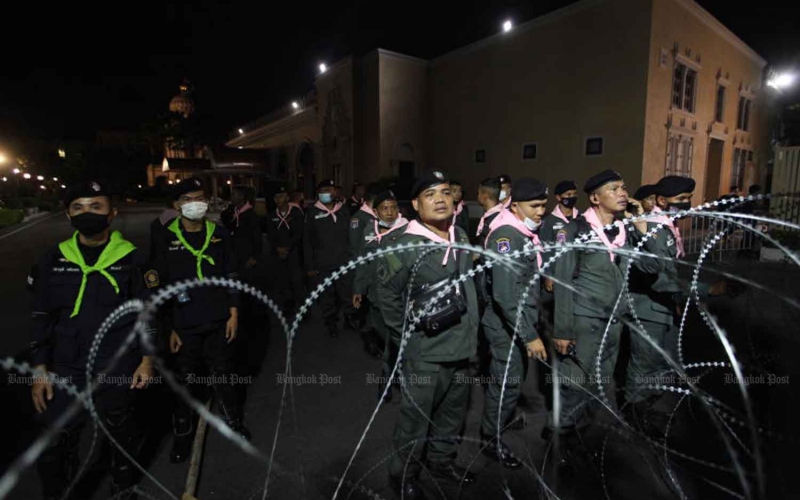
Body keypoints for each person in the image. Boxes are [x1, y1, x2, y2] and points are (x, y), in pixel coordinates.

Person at [29, 181, 154, 500]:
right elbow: (42, 316)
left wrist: (147, 360)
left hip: (117, 364)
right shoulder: (53, 260)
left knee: (120, 432)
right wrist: (39, 367)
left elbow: (147, 314)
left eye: (95, 206)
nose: (87, 213)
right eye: (78, 207)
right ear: (68, 214)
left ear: (112, 214)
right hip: (65, 366)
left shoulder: (133, 260)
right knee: (55, 439)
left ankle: (123, 487)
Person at [376, 170, 479, 500]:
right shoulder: (403, 244)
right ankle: (403, 474)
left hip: (463, 347)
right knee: (415, 418)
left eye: (446, 192)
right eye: (430, 194)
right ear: (416, 204)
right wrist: (406, 335)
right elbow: (387, 295)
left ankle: (441, 461)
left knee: (452, 414)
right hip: (425, 352)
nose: (440, 199)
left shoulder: (460, 235)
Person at [547, 169, 652, 455]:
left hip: (613, 322)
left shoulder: (625, 230)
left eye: (623, 187)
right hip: (584, 322)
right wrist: (563, 330)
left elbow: (649, 267)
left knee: (600, 384)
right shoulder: (574, 232)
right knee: (575, 384)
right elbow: (562, 283)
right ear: (595, 197)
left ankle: (582, 434)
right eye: (614, 188)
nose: (622, 193)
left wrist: (642, 225)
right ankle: (560, 442)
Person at [149, 177, 249, 464]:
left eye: (200, 197)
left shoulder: (219, 233)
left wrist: (233, 312)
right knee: (185, 380)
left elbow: (231, 273)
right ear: (176, 205)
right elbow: (160, 287)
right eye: (188, 199)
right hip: (184, 324)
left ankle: (234, 423)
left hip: (218, 318)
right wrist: (169, 328)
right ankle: (182, 434)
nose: (196, 203)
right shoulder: (165, 237)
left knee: (225, 374)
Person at [479, 178, 549, 469]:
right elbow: (506, 296)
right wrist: (530, 335)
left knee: (511, 380)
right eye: (534, 206)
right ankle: (489, 438)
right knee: (506, 383)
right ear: (515, 205)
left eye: (544, 205)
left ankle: (500, 422)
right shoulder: (506, 236)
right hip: (506, 325)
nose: (541, 211)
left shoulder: (523, 231)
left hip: (517, 321)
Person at [625, 175, 695, 435]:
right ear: (662, 201)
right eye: (680, 200)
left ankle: (650, 408)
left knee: (662, 362)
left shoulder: (666, 224)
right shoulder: (652, 226)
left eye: (688, 199)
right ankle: (636, 412)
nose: (686, 204)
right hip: (647, 306)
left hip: (664, 306)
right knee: (644, 362)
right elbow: (659, 275)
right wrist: (708, 290)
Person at [351, 189, 408, 397]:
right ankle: (395, 373)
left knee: (394, 339)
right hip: (375, 296)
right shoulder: (369, 229)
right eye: (385, 208)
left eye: (394, 207)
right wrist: (359, 289)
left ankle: (387, 381)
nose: (390, 212)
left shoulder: (407, 230)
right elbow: (363, 262)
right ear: (375, 211)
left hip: (399, 297)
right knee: (387, 337)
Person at [304, 179, 355, 338]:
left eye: (330, 189)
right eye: (323, 190)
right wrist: (310, 265)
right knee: (327, 295)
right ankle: (330, 322)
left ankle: (348, 319)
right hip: (323, 262)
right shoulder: (312, 212)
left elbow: (351, 236)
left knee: (346, 292)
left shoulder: (343, 210)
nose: (327, 193)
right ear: (318, 193)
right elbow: (307, 241)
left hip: (344, 260)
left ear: (335, 191)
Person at [349, 182, 382, 344]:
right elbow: (356, 248)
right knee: (367, 305)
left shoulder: (377, 216)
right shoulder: (359, 218)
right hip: (366, 268)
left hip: (376, 269)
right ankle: (369, 336)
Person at [265, 185, 305, 314]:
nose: (278, 199)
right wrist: (278, 248)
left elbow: (298, 234)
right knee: (283, 281)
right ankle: (288, 306)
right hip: (278, 253)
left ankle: (304, 308)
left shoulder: (295, 213)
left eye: (281, 196)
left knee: (298, 282)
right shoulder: (271, 215)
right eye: (276, 197)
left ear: (287, 197)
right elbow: (270, 235)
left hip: (293, 253)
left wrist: (287, 248)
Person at [221, 185, 263, 274]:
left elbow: (257, 238)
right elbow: (225, 221)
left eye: (233, 194)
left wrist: (254, 257)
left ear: (241, 196)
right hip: (236, 254)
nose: (231, 197)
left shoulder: (251, 215)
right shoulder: (234, 211)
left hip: (247, 255)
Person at [540, 180, 579, 244]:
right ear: (558, 197)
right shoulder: (548, 220)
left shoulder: (582, 217)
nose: (572, 197)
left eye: (574, 194)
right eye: (568, 194)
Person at [474, 177, 504, 246]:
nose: (477, 196)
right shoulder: (489, 216)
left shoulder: (497, 220)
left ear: (485, 196)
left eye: (478, 193)